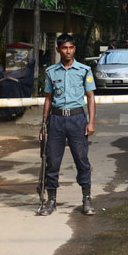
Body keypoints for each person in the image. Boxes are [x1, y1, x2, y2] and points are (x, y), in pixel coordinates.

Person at [38, 33, 97, 216]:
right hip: (56, 120)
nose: (68, 51)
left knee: (81, 160)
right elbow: (48, 99)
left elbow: (90, 97)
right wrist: (44, 124)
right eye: (64, 48)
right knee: (52, 161)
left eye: (71, 47)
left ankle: (86, 199)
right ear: (58, 50)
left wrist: (91, 122)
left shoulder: (84, 70)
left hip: (77, 120)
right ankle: (51, 200)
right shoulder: (51, 72)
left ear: (74, 49)